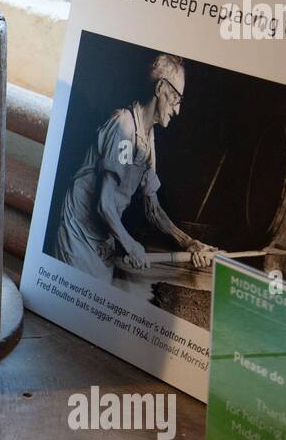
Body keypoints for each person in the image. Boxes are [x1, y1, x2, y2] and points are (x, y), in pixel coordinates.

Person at [51, 53, 216, 281]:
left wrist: (190, 243)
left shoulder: (147, 139)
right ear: (160, 87)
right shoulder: (123, 126)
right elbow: (104, 204)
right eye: (176, 98)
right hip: (77, 236)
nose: (177, 110)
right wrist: (131, 246)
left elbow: (153, 209)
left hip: (101, 241)